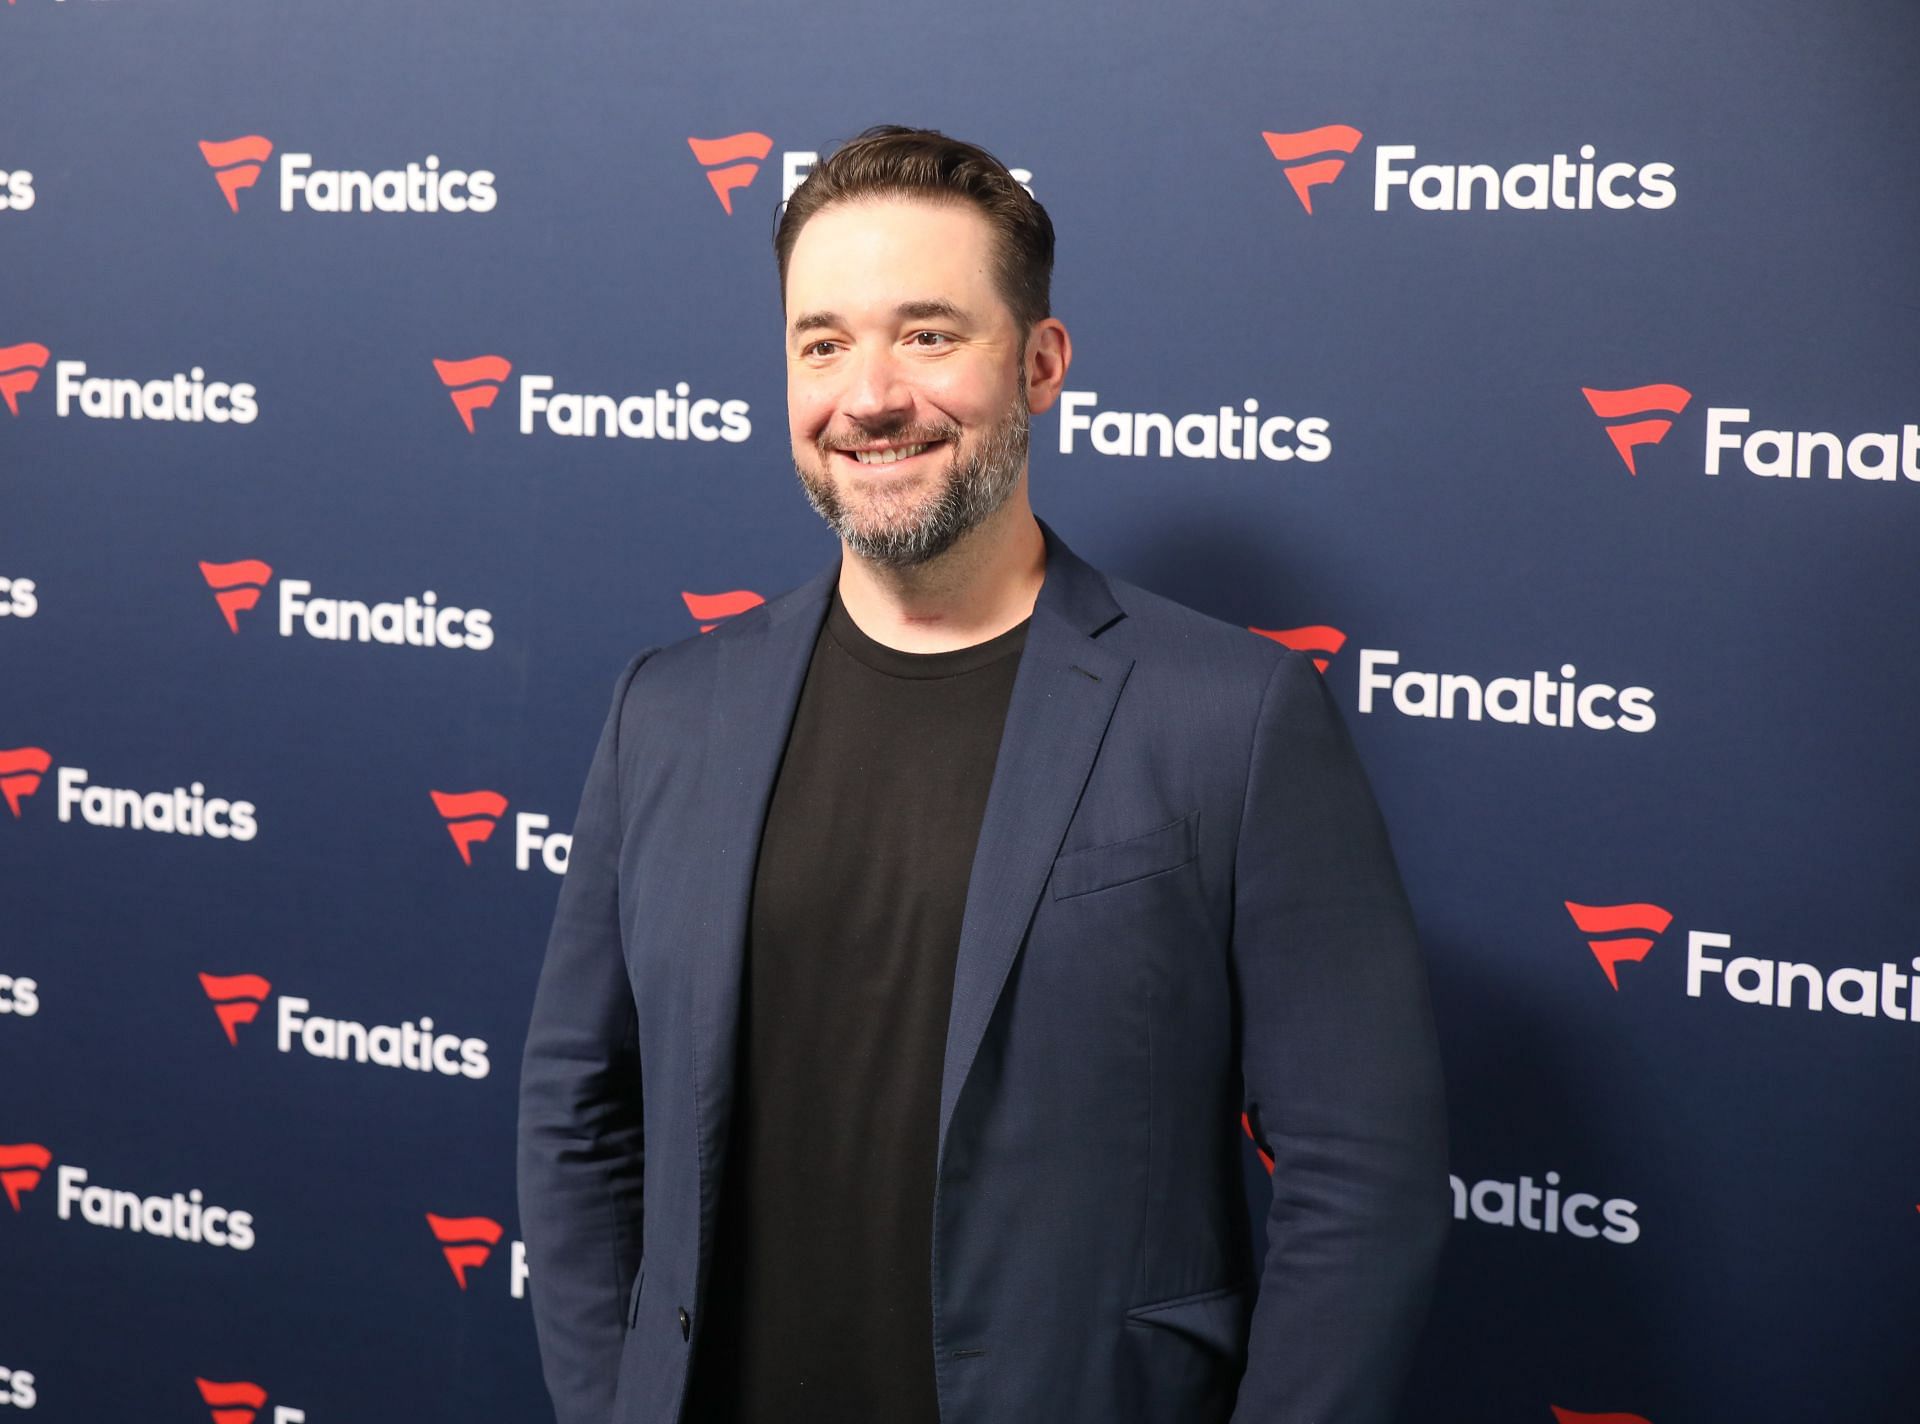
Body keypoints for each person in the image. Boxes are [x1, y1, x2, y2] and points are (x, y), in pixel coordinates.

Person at [517, 125, 1447, 1424]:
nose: (871, 394)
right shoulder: (668, 708)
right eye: (823, 342)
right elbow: (577, 1111)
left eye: (931, 334)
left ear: (1043, 364)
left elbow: (1365, 1175)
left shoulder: (1231, 717)